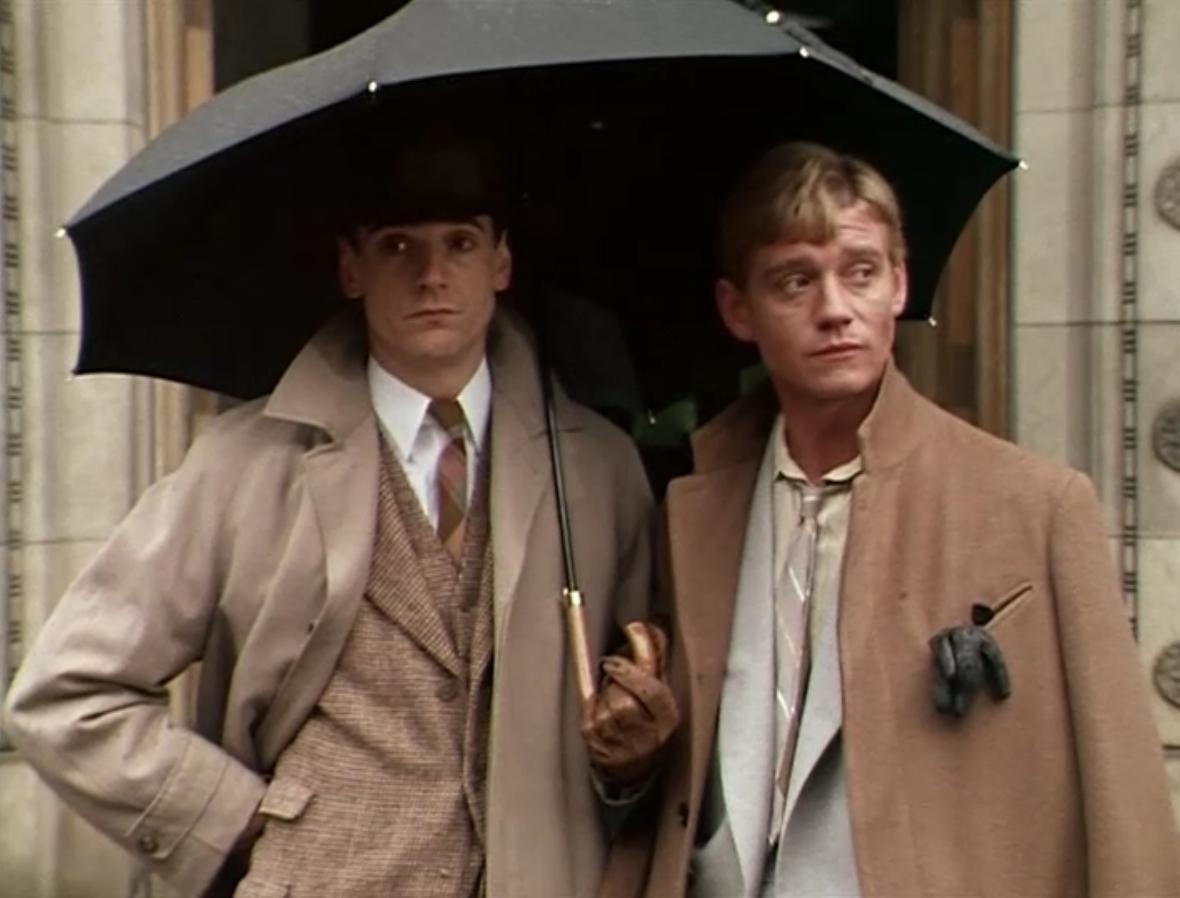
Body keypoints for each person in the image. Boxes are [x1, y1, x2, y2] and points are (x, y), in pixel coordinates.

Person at [4, 139, 676, 898]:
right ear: (351, 268)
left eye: (460, 244)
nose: (431, 275)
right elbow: (65, 693)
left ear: (501, 263)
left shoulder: (597, 468)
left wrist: (633, 757)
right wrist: (230, 820)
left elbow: (643, 745)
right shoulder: (244, 463)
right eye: (397, 247)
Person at [601, 142, 1180, 897]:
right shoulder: (693, 505)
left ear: (900, 284)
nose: (834, 308)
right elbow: (679, 785)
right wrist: (630, 760)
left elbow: (1123, 798)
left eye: (861, 271)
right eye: (794, 281)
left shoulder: (1035, 505)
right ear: (737, 310)